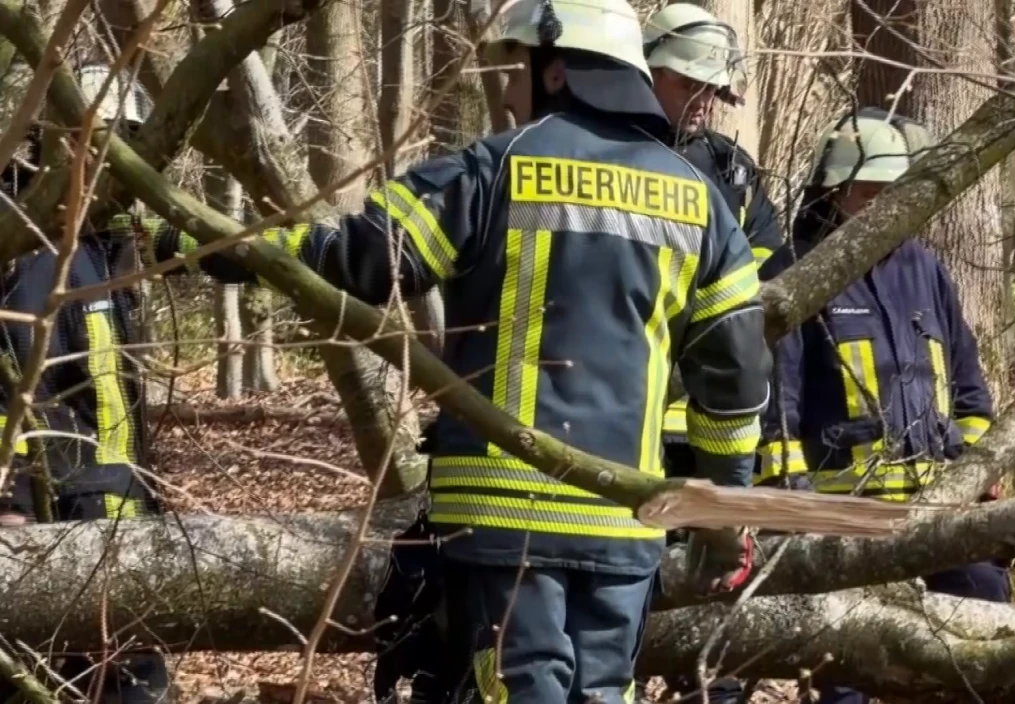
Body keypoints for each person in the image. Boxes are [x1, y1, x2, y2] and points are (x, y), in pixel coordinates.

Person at [148, 0, 772, 700]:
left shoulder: (494, 170)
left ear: (560, 73)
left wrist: (221, 247)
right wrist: (725, 523)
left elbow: (355, 257)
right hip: (626, 528)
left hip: (504, 521)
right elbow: (735, 384)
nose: (505, 92)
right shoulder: (706, 207)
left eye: (515, 71)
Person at [761, 108, 1008, 704]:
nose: (883, 207)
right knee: (846, 668)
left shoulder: (925, 268)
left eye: (892, 193)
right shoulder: (797, 269)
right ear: (834, 189)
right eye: (870, 192)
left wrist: (978, 465)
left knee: (986, 634)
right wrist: (794, 502)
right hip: (845, 512)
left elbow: (969, 383)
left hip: (939, 502)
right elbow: (776, 403)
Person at [0, 63, 168, 703]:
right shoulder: (17, 239)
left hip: (123, 515)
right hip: (44, 517)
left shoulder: (111, 239)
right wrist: (11, 497)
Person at [643, 4, 792, 494]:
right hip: (629, 416)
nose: (703, 101)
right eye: (689, 85)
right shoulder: (612, 156)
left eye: (710, 89)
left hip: (718, 419)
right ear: (647, 72)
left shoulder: (733, 171)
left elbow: (770, 265)